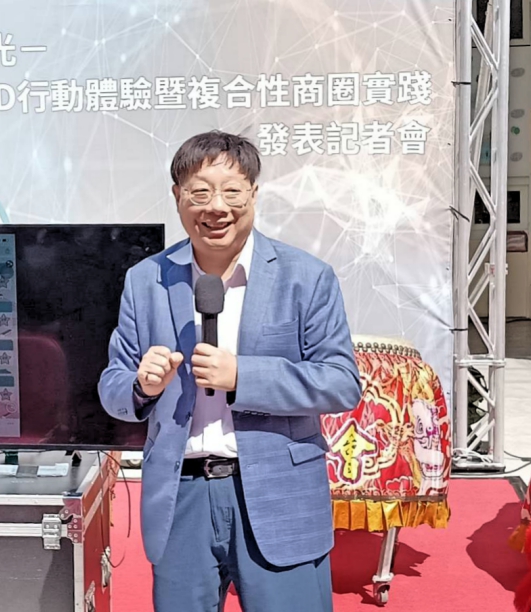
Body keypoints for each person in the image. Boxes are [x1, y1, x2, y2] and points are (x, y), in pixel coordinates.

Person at [99, 131, 362, 611]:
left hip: (278, 494)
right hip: (182, 498)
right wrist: (141, 386)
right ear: (178, 197)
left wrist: (243, 376)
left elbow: (341, 383)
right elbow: (112, 385)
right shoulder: (146, 280)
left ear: (253, 194)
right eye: (200, 192)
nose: (216, 207)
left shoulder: (306, 277)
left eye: (231, 192)